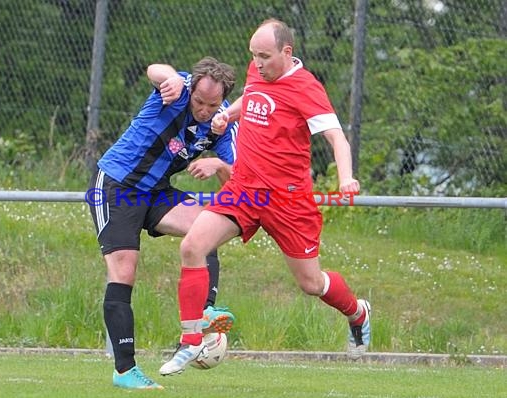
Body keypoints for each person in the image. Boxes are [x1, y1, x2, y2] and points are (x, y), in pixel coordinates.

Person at [159, 19, 371, 376]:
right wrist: (228, 113)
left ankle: (358, 312)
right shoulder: (259, 70)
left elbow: (337, 138)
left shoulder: (306, 88)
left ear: (286, 53)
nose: (257, 63)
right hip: (244, 189)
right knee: (192, 247)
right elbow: (253, 97)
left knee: (311, 283)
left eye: (265, 57)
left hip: (289, 202)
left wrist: (346, 178)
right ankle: (191, 341)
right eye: (253, 56)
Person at [89, 56, 238, 389]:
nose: (203, 109)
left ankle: (205, 313)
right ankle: (125, 371)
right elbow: (156, 70)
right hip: (118, 185)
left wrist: (216, 163)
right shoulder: (179, 89)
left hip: (155, 191)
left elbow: (236, 180)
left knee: (207, 226)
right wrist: (169, 77)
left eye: (211, 104)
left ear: (224, 99)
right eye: (199, 101)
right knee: (124, 272)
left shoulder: (224, 122)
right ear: (192, 90)